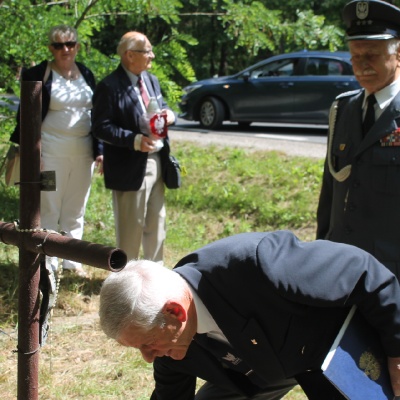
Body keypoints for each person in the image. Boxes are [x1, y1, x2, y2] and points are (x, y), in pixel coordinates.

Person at [99, 230, 400, 400]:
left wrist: (396, 350)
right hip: (261, 371)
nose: (148, 357)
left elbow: (364, 272)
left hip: (329, 349)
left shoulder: (259, 266)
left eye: (147, 344)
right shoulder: (169, 339)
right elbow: (171, 396)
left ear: (175, 312)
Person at [10, 24, 103, 277]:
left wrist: (99, 151)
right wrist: (32, 155)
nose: (65, 49)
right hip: (49, 155)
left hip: (83, 154)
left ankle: (73, 261)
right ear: (51, 48)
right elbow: (25, 118)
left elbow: (95, 115)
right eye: (59, 45)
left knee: (76, 208)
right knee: (49, 207)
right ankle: (48, 262)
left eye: (70, 44)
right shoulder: (39, 73)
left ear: (77, 46)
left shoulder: (86, 73)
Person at [316, 0, 400, 279]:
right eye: (355, 55)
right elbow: (330, 191)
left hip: (391, 273)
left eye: (372, 55)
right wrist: (319, 251)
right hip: (341, 265)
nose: (361, 65)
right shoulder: (342, 110)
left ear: (398, 54)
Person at [91, 31, 176, 263]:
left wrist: (170, 114)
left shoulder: (151, 80)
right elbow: (100, 127)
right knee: (131, 228)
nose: (152, 56)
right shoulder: (109, 86)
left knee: (157, 224)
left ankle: (155, 277)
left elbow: (162, 106)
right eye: (147, 51)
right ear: (129, 55)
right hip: (128, 165)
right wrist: (135, 140)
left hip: (157, 160)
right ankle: (126, 281)